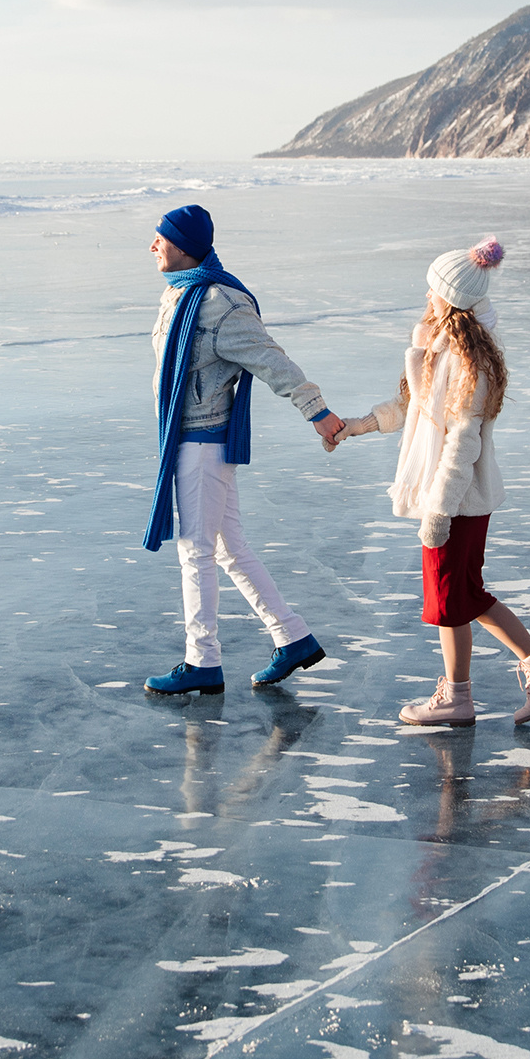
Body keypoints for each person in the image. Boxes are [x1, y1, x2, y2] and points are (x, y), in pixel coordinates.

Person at [332, 237, 530, 726]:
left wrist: (438, 510)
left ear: (453, 300)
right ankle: (503, 680)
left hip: (456, 498)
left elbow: (464, 441)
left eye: (432, 292)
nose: (426, 298)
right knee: (459, 595)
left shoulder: (471, 363)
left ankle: (492, 684)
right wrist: (358, 425)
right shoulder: (439, 348)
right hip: (450, 497)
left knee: (454, 597)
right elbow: (411, 406)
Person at [142, 203, 343, 695]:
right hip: (186, 438)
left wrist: (319, 413)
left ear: (184, 246)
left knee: (196, 552)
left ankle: (202, 662)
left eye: (160, 239)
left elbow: (273, 361)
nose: (152, 247)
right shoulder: (178, 294)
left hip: (202, 444)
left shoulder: (221, 304)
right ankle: (292, 637)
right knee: (229, 549)